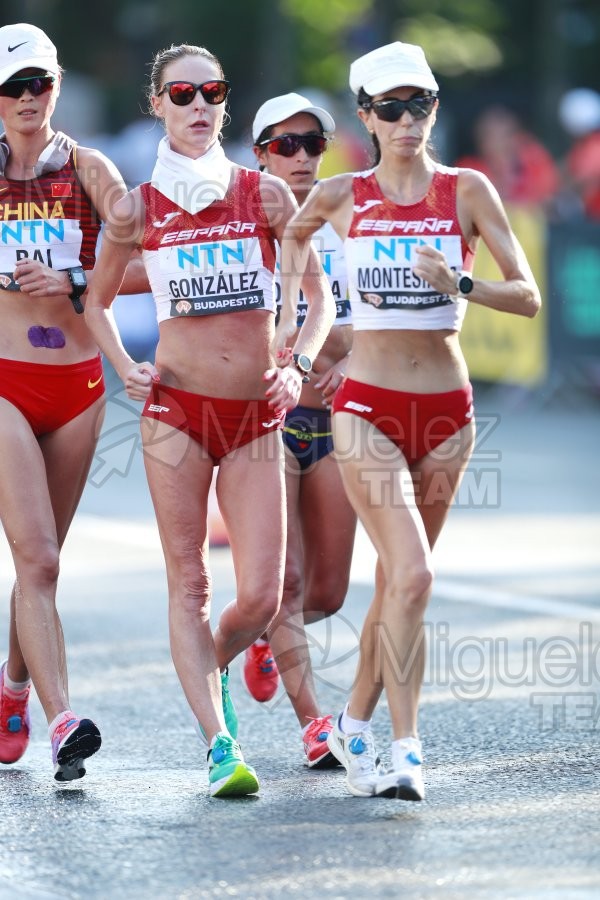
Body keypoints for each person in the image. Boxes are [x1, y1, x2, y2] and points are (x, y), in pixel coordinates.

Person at [276, 41, 541, 801]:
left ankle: (352, 721)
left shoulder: (467, 190)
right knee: (417, 572)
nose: (404, 120)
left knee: (402, 584)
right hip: (365, 407)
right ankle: (406, 747)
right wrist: (293, 331)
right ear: (366, 116)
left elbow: (526, 296)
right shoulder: (340, 194)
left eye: (417, 105)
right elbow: (290, 240)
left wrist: (461, 280)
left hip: (450, 413)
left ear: (432, 109)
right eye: (389, 108)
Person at [84, 44, 335, 797]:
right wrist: (122, 366)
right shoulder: (137, 207)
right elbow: (95, 302)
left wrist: (296, 360)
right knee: (188, 581)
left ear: (224, 105)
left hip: (258, 415)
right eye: (182, 94)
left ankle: (213, 664)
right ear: (156, 105)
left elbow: (316, 299)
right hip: (175, 417)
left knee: (261, 597)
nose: (199, 106)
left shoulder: (264, 195)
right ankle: (220, 745)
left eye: (212, 93)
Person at [0, 23, 148, 782]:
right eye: (14, 88)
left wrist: (78, 283)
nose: (29, 100)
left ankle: (13, 686)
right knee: (40, 556)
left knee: (42, 569)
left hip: (80, 387)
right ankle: (65, 721)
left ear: (56, 86)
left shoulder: (93, 171)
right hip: (4, 382)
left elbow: (156, 270)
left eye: (40, 85)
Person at [243, 93, 356, 767]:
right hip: (269, 417)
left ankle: (262, 637)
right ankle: (314, 723)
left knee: (327, 592)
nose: (301, 156)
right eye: (285, 145)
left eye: (312, 143)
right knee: (283, 583)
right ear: (260, 154)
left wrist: (354, 357)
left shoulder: (349, 222)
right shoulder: (240, 220)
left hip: (338, 420)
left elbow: (370, 321)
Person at [454, 105, 560, 210]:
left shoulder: (534, 159)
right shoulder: (467, 170)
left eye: (507, 135)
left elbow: (548, 197)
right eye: (494, 137)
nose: (503, 143)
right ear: (481, 142)